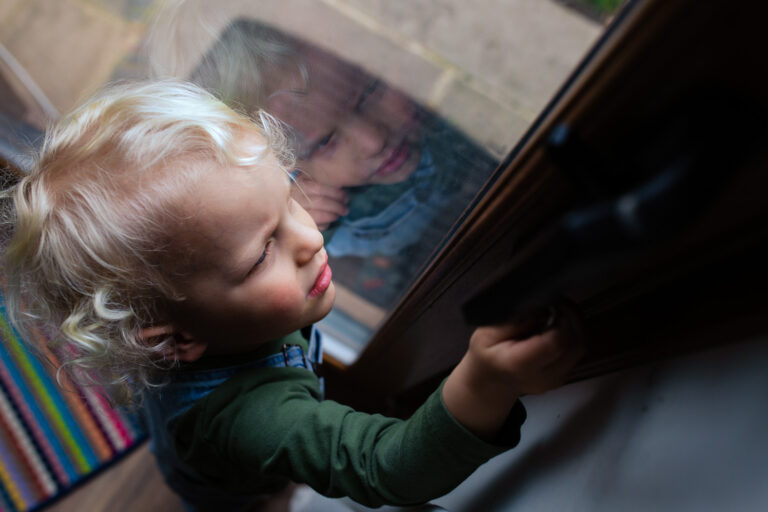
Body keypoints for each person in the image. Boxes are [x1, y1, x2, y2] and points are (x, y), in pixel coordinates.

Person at [0, 81, 582, 511]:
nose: (310, 239)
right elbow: (390, 468)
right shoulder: (256, 420)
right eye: (261, 253)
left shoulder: (200, 317)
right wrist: (487, 380)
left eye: (291, 197)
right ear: (177, 337)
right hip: (225, 491)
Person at [181, 18, 500, 306]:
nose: (373, 140)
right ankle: (389, 257)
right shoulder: (303, 200)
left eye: (368, 93)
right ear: (287, 167)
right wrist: (296, 214)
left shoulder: (445, 103)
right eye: (325, 142)